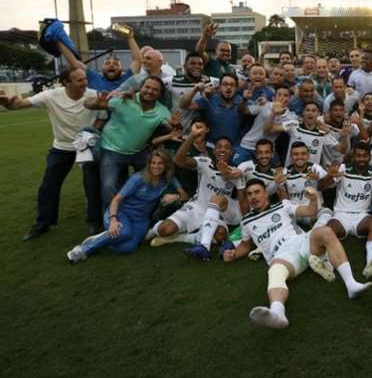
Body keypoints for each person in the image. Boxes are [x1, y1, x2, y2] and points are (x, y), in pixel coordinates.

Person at [223, 180, 372, 329]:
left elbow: (310, 211)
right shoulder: (246, 221)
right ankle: (278, 313)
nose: (253, 197)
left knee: (325, 231)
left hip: (303, 242)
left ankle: (351, 284)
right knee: (275, 271)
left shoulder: (283, 205)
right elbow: (245, 246)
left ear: (266, 193)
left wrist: (313, 199)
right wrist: (233, 254)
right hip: (283, 256)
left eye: (257, 192)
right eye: (249, 194)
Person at [0, 67, 104, 239]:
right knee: (48, 186)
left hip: (87, 147)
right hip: (61, 147)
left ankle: (95, 222)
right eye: (79, 80)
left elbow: (101, 116)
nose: (85, 83)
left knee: (92, 186)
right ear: (66, 83)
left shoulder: (93, 94)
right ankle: (43, 223)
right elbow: (21, 103)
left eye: (85, 79)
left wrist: (90, 133)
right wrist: (8, 103)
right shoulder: (51, 95)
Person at [66, 149, 185, 262]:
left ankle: (103, 238)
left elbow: (185, 196)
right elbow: (116, 199)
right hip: (120, 212)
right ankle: (83, 249)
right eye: (153, 163)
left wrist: (177, 197)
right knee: (124, 232)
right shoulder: (138, 178)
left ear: (166, 165)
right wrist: (113, 220)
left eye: (160, 163)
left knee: (128, 247)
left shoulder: (169, 179)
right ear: (149, 164)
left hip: (141, 219)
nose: (156, 166)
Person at [148, 129, 243, 259]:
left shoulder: (236, 172)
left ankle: (179, 238)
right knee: (165, 230)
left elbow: (236, 185)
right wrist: (191, 136)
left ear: (232, 152)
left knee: (220, 235)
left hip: (217, 214)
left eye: (227, 148)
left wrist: (230, 175)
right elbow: (178, 160)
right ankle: (150, 232)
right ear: (214, 150)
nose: (223, 150)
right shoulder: (204, 163)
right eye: (219, 147)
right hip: (197, 207)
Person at [84, 75, 171, 208]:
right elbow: (88, 103)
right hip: (111, 151)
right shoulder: (123, 100)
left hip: (138, 151)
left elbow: (174, 127)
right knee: (108, 187)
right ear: (140, 88)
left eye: (155, 90)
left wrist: (176, 125)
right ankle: (110, 220)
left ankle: (147, 212)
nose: (150, 91)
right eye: (147, 87)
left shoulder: (161, 111)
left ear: (159, 94)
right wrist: (98, 101)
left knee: (158, 176)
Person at [321, 143, 372, 277]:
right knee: (329, 228)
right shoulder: (343, 168)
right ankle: (327, 264)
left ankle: (371, 262)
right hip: (341, 214)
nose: (361, 159)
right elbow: (323, 187)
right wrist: (330, 176)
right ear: (353, 156)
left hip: (362, 216)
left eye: (364, 156)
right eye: (358, 156)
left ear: (369, 157)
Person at [57, 26, 142, 93]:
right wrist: (57, 40)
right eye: (107, 63)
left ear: (121, 69)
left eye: (116, 64)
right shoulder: (93, 77)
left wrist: (130, 38)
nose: (111, 65)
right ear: (102, 69)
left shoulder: (127, 78)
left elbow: (137, 60)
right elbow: (74, 62)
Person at [180, 74, 246, 146]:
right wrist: (195, 90)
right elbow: (184, 105)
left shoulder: (242, 101)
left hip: (234, 147)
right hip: (211, 146)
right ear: (219, 87)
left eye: (232, 85)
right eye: (225, 84)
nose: (228, 87)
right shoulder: (209, 99)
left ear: (236, 88)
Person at [164, 52, 210, 130]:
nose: (197, 66)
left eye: (200, 64)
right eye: (193, 63)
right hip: (178, 130)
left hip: (200, 134)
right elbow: (153, 85)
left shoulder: (210, 82)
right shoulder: (173, 81)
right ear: (185, 66)